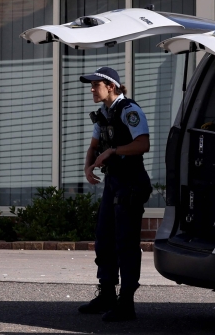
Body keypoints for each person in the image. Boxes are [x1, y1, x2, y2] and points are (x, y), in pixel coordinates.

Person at [77, 67, 151, 322]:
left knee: (125, 242)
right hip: (113, 182)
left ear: (110, 86)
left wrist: (113, 151)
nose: (91, 89)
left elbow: (143, 143)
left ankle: (126, 301)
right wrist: (88, 166)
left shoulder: (129, 110)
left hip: (131, 182)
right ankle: (107, 293)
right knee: (104, 237)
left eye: (95, 85)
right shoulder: (103, 114)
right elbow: (94, 146)